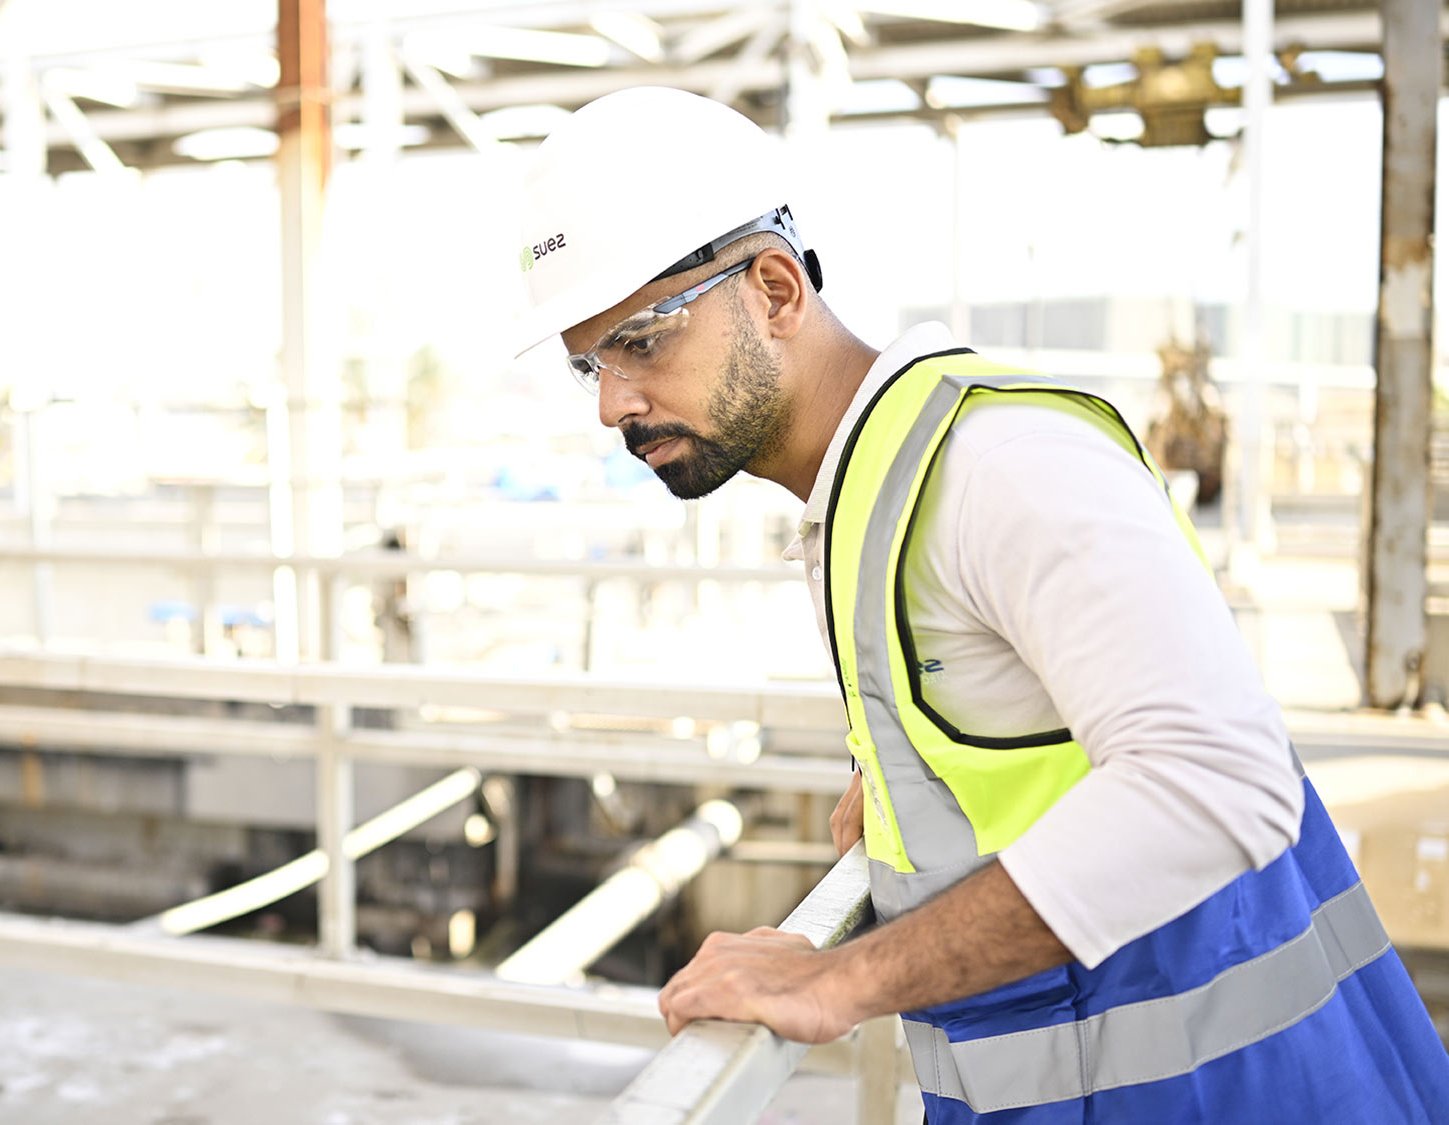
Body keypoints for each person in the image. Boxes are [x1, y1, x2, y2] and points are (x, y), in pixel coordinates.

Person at [512, 86, 1449, 1122]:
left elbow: (1219, 778)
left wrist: (838, 976)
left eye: (642, 340)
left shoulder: (994, 465)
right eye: (589, 363)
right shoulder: (867, 494)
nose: (610, 404)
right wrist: (911, 792)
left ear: (775, 290)